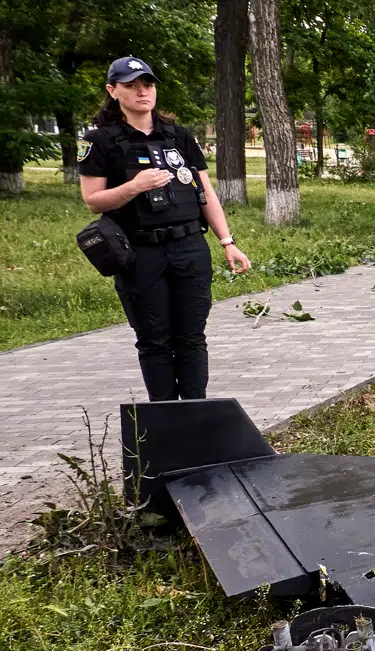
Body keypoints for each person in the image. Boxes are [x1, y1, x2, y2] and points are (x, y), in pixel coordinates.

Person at [79, 56, 251, 401]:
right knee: (154, 339)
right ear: (113, 91)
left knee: (191, 337)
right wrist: (135, 186)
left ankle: (194, 413)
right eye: (131, 85)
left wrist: (227, 241)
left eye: (148, 84)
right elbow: (93, 201)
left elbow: (205, 193)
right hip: (140, 253)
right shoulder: (100, 141)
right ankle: (165, 419)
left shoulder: (179, 136)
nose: (142, 92)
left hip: (189, 246)